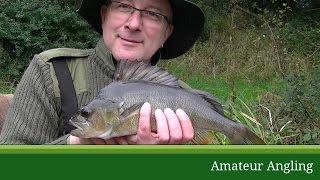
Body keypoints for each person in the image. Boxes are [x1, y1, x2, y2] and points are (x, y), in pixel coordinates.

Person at [0, 0, 205, 144]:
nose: (133, 24)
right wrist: (77, 144)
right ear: (104, 15)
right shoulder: (51, 71)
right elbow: (10, 166)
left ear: (166, 33)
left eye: (153, 14)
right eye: (124, 6)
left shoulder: (187, 100)